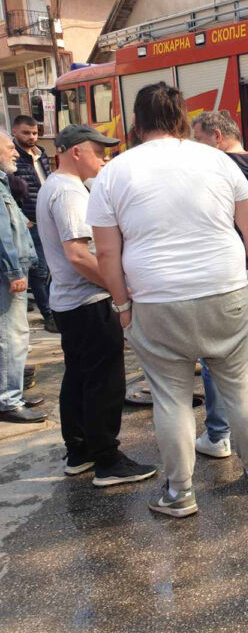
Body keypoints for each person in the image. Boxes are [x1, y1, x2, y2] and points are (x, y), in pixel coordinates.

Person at [87, 82, 248, 518]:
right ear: (183, 120)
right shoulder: (217, 160)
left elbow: (108, 252)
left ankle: (181, 493)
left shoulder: (113, 172)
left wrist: (121, 305)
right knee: (242, 387)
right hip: (224, 291)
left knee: (170, 398)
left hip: (156, 300)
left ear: (135, 123)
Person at [37, 125, 157, 484]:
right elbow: (78, 255)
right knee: (105, 381)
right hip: (88, 301)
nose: (105, 160)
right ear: (76, 151)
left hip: (70, 302)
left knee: (79, 377)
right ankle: (108, 460)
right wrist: (120, 289)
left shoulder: (56, 187)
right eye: (98, 152)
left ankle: (80, 452)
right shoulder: (69, 192)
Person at [192, 111, 248, 455]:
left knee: (217, 356)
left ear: (216, 136)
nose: (196, 148)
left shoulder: (216, 170)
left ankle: (219, 434)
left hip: (227, 273)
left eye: (198, 139)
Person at [0, 131, 46, 423]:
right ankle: (8, 400)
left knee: (13, 336)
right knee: (11, 337)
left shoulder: (3, 183)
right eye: (8, 148)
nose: (15, 152)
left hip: (12, 271)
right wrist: (14, 270)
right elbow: (1, 234)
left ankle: (11, 391)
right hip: (8, 276)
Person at [12, 115, 57, 333]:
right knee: (38, 269)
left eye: (34, 133)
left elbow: (46, 181)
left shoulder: (41, 154)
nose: (31, 137)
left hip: (48, 217)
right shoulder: (12, 158)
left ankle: (53, 309)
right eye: (26, 133)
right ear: (14, 132)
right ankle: (48, 314)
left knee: (51, 268)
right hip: (30, 221)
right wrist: (23, 219)